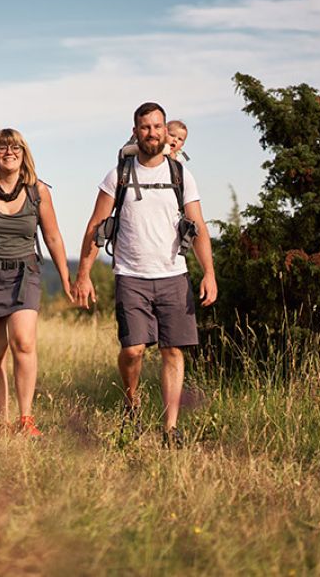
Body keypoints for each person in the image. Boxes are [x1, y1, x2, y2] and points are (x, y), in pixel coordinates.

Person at [73, 102, 217, 447]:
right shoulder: (117, 175)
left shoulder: (181, 175)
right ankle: (132, 403)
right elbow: (96, 226)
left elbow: (198, 228)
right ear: (136, 131)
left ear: (166, 131)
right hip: (131, 274)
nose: (152, 133)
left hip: (173, 275)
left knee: (173, 351)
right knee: (133, 350)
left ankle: (170, 427)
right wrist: (83, 274)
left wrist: (209, 272)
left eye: (158, 127)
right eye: (145, 127)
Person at [0, 128, 74, 436]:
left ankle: (26, 419)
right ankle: (3, 422)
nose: (9, 152)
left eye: (15, 147)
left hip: (25, 274)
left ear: (24, 153)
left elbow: (53, 237)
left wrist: (67, 278)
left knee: (24, 342)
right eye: (3, 148)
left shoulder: (38, 191)